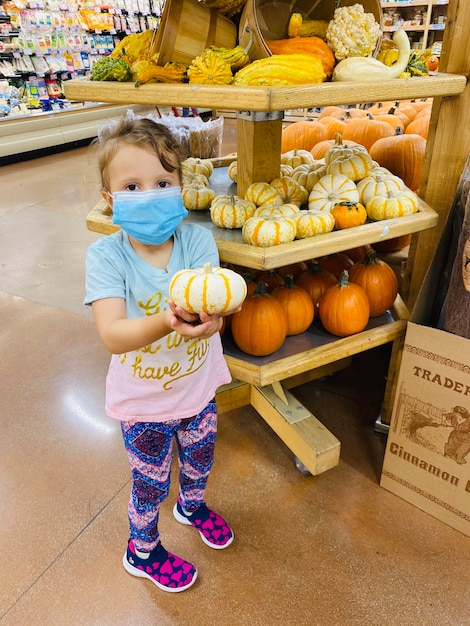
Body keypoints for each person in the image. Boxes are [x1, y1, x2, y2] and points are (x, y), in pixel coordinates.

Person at [84, 116, 236, 593]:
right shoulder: (107, 257)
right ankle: (142, 549)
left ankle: (191, 505)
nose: (149, 193)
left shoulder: (196, 240)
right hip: (143, 404)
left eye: (162, 182)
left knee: (200, 460)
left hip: (198, 389)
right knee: (149, 483)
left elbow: (214, 307)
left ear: (180, 187)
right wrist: (166, 321)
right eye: (132, 185)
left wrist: (216, 321)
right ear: (110, 199)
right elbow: (112, 333)